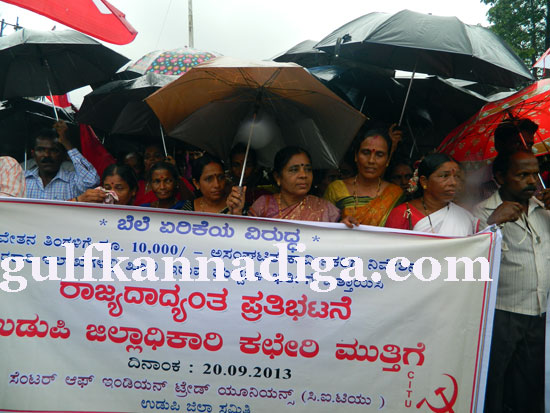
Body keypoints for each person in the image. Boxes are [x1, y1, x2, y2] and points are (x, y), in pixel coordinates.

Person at [474, 150, 550, 413]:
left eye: (535, 174)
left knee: (531, 386)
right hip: (501, 313)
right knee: (493, 384)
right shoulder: (481, 212)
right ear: (500, 177)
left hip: (539, 313)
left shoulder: (544, 211)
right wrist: (492, 223)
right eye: (522, 175)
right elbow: (471, 259)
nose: (532, 181)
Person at [324, 127, 403, 226]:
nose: (371, 160)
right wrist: (340, 225)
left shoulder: (395, 194)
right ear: (356, 156)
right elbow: (322, 229)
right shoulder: (336, 189)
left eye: (379, 155)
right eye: (366, 153)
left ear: (387, 160)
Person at [385, 153, 479, 236]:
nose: (453, 182)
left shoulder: (464, 216)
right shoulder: (403, 214)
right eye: (444, 176)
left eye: (457, 176)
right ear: (424, 181)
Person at [246, 146, 340, 222]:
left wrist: (345, 223)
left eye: (308, 169)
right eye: (294, 170)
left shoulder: (325, 208)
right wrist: (238, 212)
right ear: (277, 177)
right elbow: (245, 233)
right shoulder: (264, 205)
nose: (303, 175)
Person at [25, 121, 99, 200]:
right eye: (41, 150)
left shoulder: (73, 181)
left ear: (63, 155)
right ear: (33, 154)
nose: (47, 155)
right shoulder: (22, 179)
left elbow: (91, 182)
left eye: (54, 150)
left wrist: (67, 143)